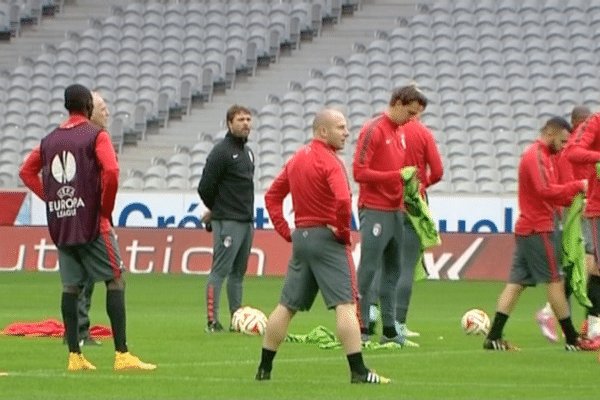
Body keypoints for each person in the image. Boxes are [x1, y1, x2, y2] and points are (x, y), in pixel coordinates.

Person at [19, 84, 156, 371]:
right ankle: (122, 354)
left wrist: (52, 197)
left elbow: (26, 171)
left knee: (71, 286)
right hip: (92, 222)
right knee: (115, 278)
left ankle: (74, 356)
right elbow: (113, 171)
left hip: (63, 221)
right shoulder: (97, 135)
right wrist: (104, 207)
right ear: (88, 107)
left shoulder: (49, 140)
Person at [255, 109, 389, 384]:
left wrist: (285, 231)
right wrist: (341, 231)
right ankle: (359, 371)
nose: (347, 133)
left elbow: (272, 197)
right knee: (346, 305)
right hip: (327, 240)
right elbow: (342, 200)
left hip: (302, 239)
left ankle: (264, 369)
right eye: (341, 127)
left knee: (286, 306)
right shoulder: (331, 161)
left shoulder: (297, 159)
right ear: (323, 131)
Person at [483, 117, 586, 351]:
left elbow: (554, 192)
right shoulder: (536, 156)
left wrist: (574, 195)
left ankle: (493, 337)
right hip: (539, 228)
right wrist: (578, 187)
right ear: (550, 132)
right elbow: (545, 191)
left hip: (528, 228)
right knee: (555, 280)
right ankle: (571, 338)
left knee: (516, 283)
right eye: (561, 140)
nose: (563, 145)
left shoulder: (546, 156)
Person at [352, 85, 427, 345]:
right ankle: (359, 330)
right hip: (374, 209)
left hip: (396, 210)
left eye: (416, 115)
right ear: (396, 103)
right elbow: (359, 172)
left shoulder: (400, 132)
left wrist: (408, 185)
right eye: (409, 112)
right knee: (369, 270)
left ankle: (390, 331)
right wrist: (396, 176)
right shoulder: (373, 130)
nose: (412, 119)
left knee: (393, 271)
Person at [536, 106, 593, 343]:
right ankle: (557, 313)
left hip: (568, 207)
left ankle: (575, 321)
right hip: (581, 205)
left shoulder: (562, 148)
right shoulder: (581, 147)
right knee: (588, 262)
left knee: (576, 264)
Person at [198, 105, 255, 332]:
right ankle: (212, 321)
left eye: (248, 119)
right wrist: (218, 210)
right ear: (229, 123)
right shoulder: (221, 152)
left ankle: (236, 319)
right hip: (228, 221)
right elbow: (205, 187)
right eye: (241, 119)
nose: (246, 123)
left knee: (238, 273)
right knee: (220, 270)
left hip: (246, 221)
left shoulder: (248, 152)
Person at [567, 106, 600, 342]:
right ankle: (594, 325)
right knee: (596, 267)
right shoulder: (595, 121)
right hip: (597, 208)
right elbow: (573, 152)